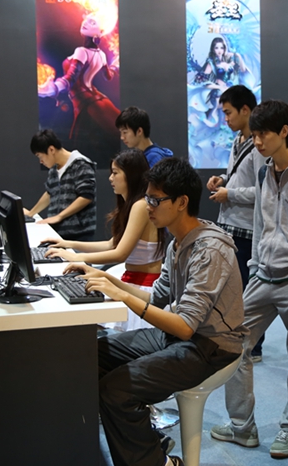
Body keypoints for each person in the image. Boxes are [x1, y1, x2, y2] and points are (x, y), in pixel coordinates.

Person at [67, 157, 248, 466]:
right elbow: (158, 297)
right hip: (181, 338)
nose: (147, 206)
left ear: (182, 202)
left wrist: (122, 296)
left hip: (212, 348)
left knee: (116, 391)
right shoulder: (178, 243)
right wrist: (106, 279)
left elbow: (185, 327)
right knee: (92, 353)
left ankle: (157, 461)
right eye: (147, 198)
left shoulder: (210, 249)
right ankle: (147, 445)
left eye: (155, 199)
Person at [212, 100, 288, 459]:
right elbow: (260, 225)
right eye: (254, 134)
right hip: (262, 276)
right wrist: (254, 267)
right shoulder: (264, 172)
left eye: (263, 134)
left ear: (284, 131)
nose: (257, 141)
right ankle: (242, 426)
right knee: (233, 345)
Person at [42, 149, 167, 331]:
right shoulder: (132, 204)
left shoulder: (141, 206)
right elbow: (112, 244)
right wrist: (69, 244)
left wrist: (76, 257)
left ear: (130, 175)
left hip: (142, 289)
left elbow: (119, 254)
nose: (110, 178)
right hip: (131, 282)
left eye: (115, 173)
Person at [207, 85, 268, 361]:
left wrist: (229, 193)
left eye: (229, 112)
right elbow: (240, 176)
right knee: (232, 289)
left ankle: (253, 346)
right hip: (229, 225)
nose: (226, 119)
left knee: (247, 290)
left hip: (247, 229)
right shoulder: (238, 140)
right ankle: (235, 340)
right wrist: (222, 179)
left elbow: (263, 190)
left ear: (246, 110)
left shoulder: (259, 145)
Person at [37, 13, 120, 163]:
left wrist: (53, 89)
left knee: (81, 149)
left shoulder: (81, 51)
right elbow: (109, 75)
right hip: (97, 100)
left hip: (87, 104)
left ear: (100, 32)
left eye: (92, 22)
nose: (86, 22)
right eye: (86, 19)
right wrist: (115, 65)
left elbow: (71, 78)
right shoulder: (101, 54)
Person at [24, 129, 97, 241]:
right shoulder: (54, 170)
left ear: (51, 149)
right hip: (58, 233)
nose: (41, 161)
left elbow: (86, 197)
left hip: (79, 235)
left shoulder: (81, 164)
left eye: (40, 156)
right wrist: (31, 214)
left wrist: (59, 216)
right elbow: (49, 193)